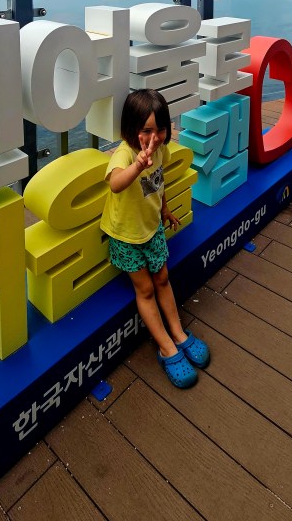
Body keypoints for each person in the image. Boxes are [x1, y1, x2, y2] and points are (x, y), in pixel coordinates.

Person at [101, 89, 210, 388]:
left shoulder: (161, 150)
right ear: (130, 128)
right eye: (146, 130)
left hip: (152, 228)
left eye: (160, 129)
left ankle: (178, 333)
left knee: (162, 278)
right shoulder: (124, 153)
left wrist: (164, 209)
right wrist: (138, 164)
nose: (155, 137)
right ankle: (166, 347)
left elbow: (157, 184)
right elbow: (116, 184)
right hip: (126, 236)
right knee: (146, 288)